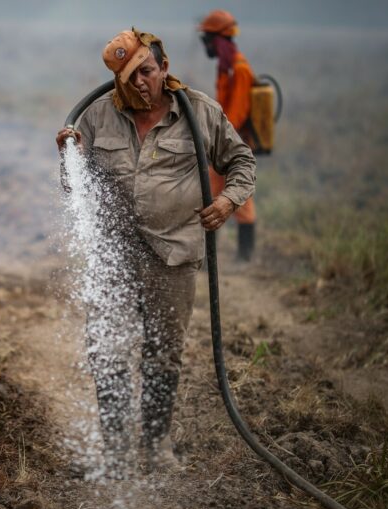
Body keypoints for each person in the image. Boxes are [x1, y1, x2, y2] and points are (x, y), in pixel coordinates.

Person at [56, 29, 255, 478]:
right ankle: (115, 451)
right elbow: (74, 189)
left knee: (163, 354)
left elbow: (242, 162)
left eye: (147, 71)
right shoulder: (96, 116)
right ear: (117, 79)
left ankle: (155, 445)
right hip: (114, 255)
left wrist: (228, 201)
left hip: (172, 257)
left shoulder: (199, 112)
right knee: (106, 350)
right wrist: (68, 159)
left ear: (164, 68)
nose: (140, 82)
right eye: (129, 77)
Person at [200, 10, 258, 261]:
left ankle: (239, 256)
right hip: (224, 141)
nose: (206, 45)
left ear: (218, 39)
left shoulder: (239, 69)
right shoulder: (227, 67)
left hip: (232, 144)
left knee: (224, 195)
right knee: (219, 194)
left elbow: (235, 114)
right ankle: (235, 256)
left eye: (207, 39)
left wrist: (215, 140)